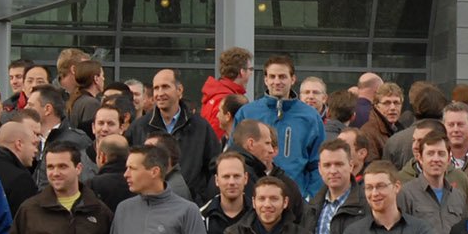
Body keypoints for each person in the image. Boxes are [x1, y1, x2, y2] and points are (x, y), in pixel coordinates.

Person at [237, 55, 325, 199]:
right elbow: (235, 156)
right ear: (266, 80)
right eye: (272, 77)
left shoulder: (310, 117)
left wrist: (310, 197)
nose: (277, 81)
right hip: (254, 199)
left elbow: (317, 163)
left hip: (296, 199)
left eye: (282, 76)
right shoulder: (247, 113)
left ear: (293, 79)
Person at [129, 69, 221, 203]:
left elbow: (214, 166)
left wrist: (202, 198)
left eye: (165, 87)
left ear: (179, 90)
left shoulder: (200, 126)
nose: (160, 93)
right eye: (156, 88)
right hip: (148, 203)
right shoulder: (139, 127)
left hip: (191, 204)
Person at [201, 46, 252, 132]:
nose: (251, 73)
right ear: (242, 72)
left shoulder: (216, 94)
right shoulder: (225, 100)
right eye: (250, 69)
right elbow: (217, 138)